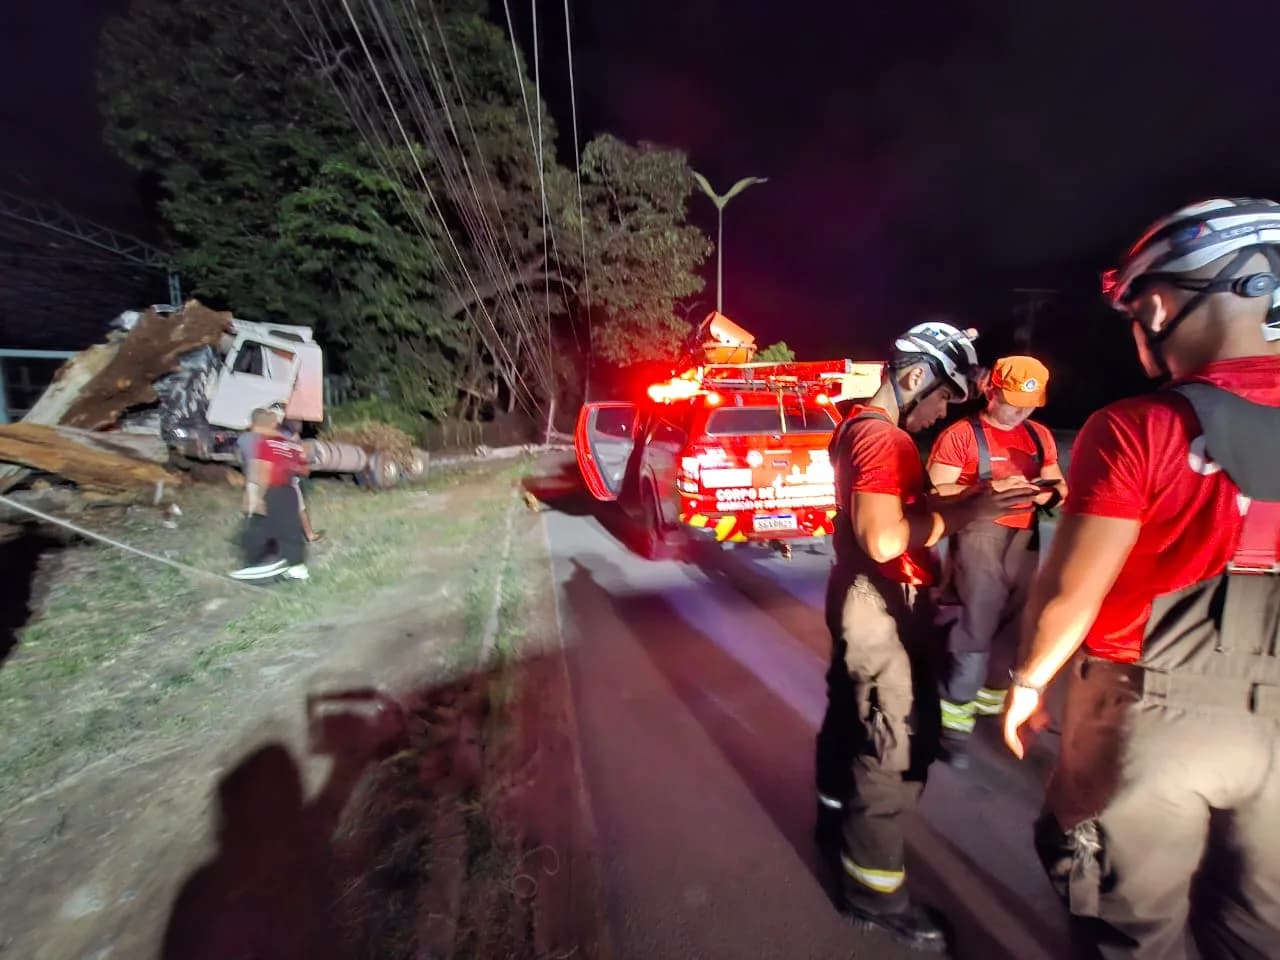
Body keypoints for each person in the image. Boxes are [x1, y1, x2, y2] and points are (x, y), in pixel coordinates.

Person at [1004, 197, 1280, 959]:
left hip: (1149, 714)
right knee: (1261, 931)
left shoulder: (1142, 427)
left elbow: (1070, 594)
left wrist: (1029, 683)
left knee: (1131, 928)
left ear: (1157, 305)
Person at [813, 321, 1036, 950]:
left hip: (858, 592)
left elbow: (882, 520)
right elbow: (885, 538)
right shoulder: (884, 438)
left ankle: (835, 826)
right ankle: (874, 893)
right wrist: (971, 511)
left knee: (850, 722)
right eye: (942, 396)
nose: (943, 411)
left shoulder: (857, 427)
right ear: (913, 379)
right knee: (894, 743)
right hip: (881, 603)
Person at [926, 356, 1067, 766]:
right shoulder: (961, 436)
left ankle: (990, 706)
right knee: (975, 628)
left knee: (1012, 628)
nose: (1020, 410)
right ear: (991, 391)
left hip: (1023, 539)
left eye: (1028, 403)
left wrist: (1044, 493)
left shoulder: (1038, 435)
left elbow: (1059, 485)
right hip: (978, 539)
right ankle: (953, 726)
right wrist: (985, 488)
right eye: (1012, 401)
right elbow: (936, 491)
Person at [232, 408, 311, 581]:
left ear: (255, 424)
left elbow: (262, 471)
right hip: (289, 491)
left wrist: (256, 497)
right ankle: (297, 568)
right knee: (290, 530)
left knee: (256, 530)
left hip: (271, 491)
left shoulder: (261, 443)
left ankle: (256, 567)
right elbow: (305, 469)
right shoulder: (290, 443)